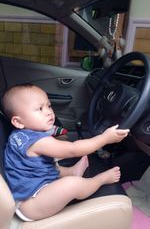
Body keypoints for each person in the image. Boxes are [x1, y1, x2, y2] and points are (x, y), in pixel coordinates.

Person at [1, 84, 130, 221]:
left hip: (32, 186)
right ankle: (100, 180)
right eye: (39, 109)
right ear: (18, 122)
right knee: (72, 185)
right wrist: (104, 138)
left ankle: (71, 172)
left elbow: (38, 168)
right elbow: (72, 149)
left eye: (49, 106)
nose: (49, 112)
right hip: (30, 204)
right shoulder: (38, 142)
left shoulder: (20, 134)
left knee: (46, 163)